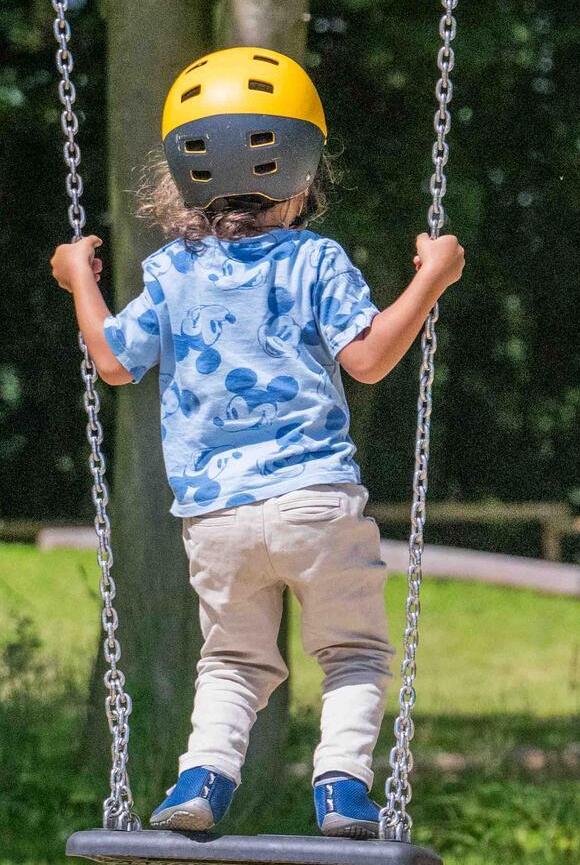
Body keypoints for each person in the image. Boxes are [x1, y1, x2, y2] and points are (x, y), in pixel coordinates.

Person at [49, 48, 465, 839]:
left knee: (233, 663)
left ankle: (202, 780)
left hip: (216, 518)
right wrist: (431, 279)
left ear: (181, 182)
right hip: (314, 502)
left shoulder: (173, 271)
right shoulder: (316, 259)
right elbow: (371, 358)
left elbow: (112, 361)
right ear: (303, 178)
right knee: (353, 653)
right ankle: (343, 791)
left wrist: (81, 279)